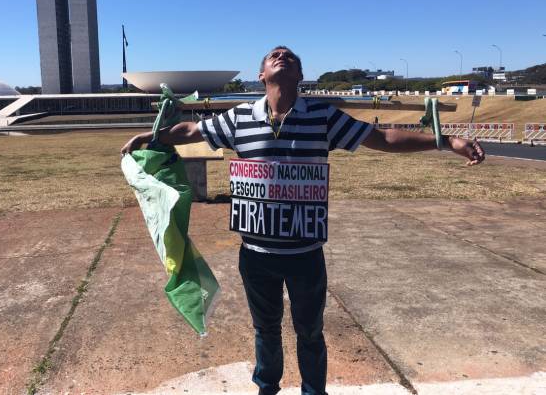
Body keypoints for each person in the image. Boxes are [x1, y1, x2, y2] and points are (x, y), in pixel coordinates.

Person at [121, 46, 485, 395]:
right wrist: (150, 137)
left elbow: (383, 138)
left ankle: (314, 391)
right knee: (265, 330)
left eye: (290, 57)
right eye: (274, 56)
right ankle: (267, 388)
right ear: (261, 75)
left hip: (305, 253)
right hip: (256, 253)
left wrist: (445, 141)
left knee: (310, 331)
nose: (282, 57)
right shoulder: (240, 117)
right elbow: (191, 132)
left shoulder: (323, 117)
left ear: (300, 75)